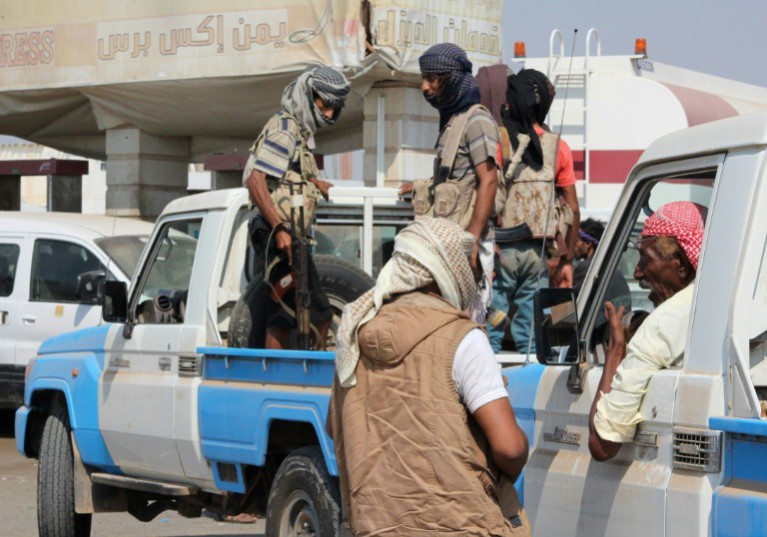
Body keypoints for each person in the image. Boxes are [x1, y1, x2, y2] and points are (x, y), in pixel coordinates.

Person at [328, 217, 530, 536]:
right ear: (444, 269)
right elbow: (509, 448)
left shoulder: (354, 335)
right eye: (468, 266)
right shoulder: (461, 339)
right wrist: (521, 444)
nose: (471, 276)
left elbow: (336, 427)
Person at [589, 201, 707, 461]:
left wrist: (616, 351)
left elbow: (602, 445)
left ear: (680, 264)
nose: (637, 271)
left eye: (646, 259)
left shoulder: (659, 327)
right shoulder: (724, 305)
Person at [242, 66, 350, 350]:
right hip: (275, 229)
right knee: (288, 313)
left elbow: (288, 174)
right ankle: (281, 378)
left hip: (289, 232)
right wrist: (279, 228)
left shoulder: (299, 131)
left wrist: (314, 182)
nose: (328, 114)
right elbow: (256, 179)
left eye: (333, 108)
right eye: (324, 105)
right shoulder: (286, 129)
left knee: (308, 312)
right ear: (308, 95)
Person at [402, 43, 500, 321]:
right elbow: (457, 176)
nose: (425, 87)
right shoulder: (453, 120)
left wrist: (472, 238)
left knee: (469, 324)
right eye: (424, 78)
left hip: (467, 241)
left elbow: (488, 180)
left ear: (452, 78)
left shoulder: (477, 120)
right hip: (448, 239)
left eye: (432, 79)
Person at [487, 69, 580, 353]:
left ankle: (488, 367)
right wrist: (566, 261)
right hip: (540, 252)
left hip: (502, 250)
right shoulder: (558, 147)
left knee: (492, 318)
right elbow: (573, 210)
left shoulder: (500, 142)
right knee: (531, 327)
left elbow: (488, 192)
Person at [572, 218, 632, 325]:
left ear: (588, 244)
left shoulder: (585, 268)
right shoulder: (613, 269)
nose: (573, 246)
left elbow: (572, 306)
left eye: (576, 241)